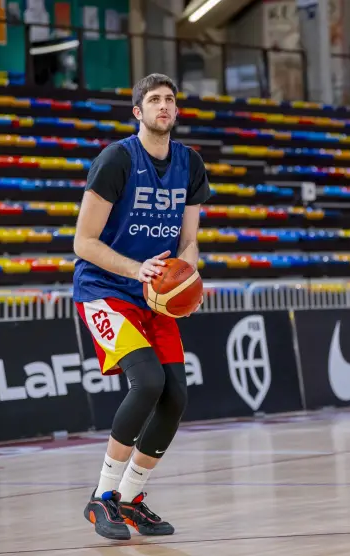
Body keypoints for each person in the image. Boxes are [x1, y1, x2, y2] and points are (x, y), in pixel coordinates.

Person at [72, 73, 211, 540]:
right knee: (147, 381)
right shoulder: (116, 160)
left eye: (170, 99)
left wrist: (184, 277)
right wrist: (138, 270)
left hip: (154, 295)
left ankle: (131, 499)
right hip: (106, 289)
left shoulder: (190, 164)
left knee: (175, 398)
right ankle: (102, 498)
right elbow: (83, 242)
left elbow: (189, 241)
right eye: (154, 100)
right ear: (138, 113)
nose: (163, 105)